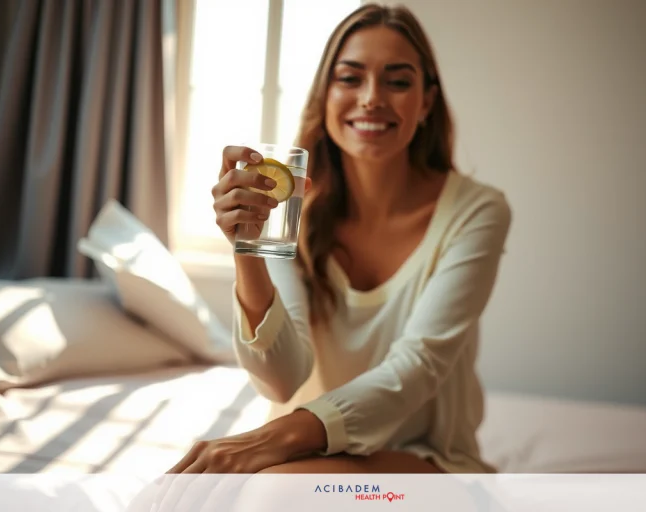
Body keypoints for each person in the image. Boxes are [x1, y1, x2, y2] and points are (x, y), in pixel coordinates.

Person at [174, 3, 511, 475]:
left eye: (397, 81)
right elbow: (281, 380)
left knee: (275, 492)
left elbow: (418, 366)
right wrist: (247, 248)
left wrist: (269, 440)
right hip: (303, 450)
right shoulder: (292, 204)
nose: (372, 98)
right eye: (350, 78)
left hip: (424, 463)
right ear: (325, 94)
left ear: (427, 102)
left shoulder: (476, 211)